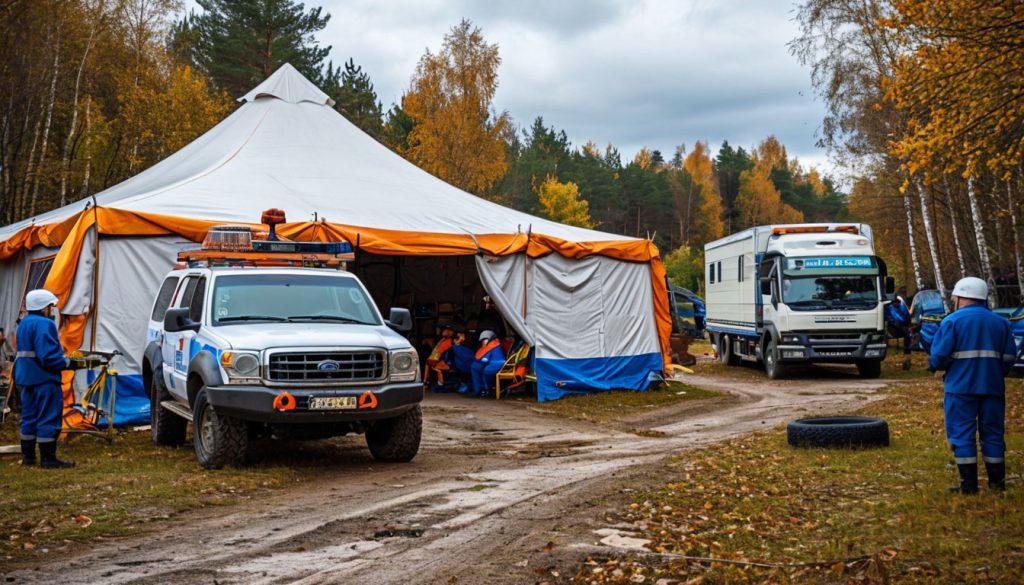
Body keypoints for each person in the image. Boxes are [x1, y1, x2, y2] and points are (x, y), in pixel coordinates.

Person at [928, 277, 1016, 494]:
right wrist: (995, 373)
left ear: (959, 297)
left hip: (960, 388)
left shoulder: (952, 321)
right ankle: (997, 484)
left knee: (962, 433)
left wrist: (938, 367)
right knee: (993, 433)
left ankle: (968, 486)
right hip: (993, 386)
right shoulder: (1001, 323)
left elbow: (938, 356)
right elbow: (1009, 357)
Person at [15, 289, 73, 469]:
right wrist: (67, 362)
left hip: (26, 378)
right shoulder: (44, 324)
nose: (51, 309)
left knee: (29, 417)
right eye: (49, 306)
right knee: (48, 416)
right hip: (44, 378)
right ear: (43, 307)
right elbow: (48, 356)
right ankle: (48, 459)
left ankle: (29, 458)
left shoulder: (23, 323)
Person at [470, 329, 505, 397]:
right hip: (495, 364)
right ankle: (482, 389)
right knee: (477, 367)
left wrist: (478, 361)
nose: (483, 342)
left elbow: (485, 359)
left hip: (494, 365)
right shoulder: (495, 344)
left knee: (479, 369)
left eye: (484, 340)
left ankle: (484, 389)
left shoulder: (492, 346)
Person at [885, 295, 913, 369]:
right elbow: (887, 317)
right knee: (907, 333)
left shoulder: (902, 306)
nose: (896, 304)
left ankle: (907, 358)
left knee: (908, 334)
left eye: (897, 303)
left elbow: (907, 317)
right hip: (891, 327)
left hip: (902, 327)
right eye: (894, 303)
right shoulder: (888, 307)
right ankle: (907, 357)